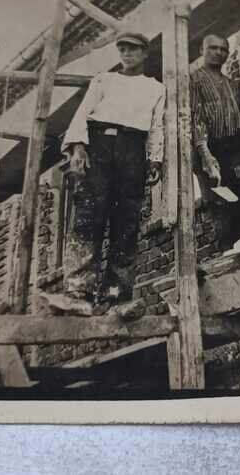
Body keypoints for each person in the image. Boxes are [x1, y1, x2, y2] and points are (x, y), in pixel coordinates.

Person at [62, 32, 164, 306]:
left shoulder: (155, 88)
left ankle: (116, 291)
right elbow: (82, 115)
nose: (126, 54)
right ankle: (78, 288)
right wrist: (79, 149)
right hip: (100, 146)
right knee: (88, 215)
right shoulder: (103, 80)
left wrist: (155, 159)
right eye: (122, 49)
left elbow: (156, 127)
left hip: (133, 150)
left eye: (133, 49)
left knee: (126, 221)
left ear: (144, 53)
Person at [190, 34, 240, 249]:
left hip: (239, 149)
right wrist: (205, 154)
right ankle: (235, 261)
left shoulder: (233, 85)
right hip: (211, 152)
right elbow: (195, 119)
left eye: (223, 49)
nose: (218, 53)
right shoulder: (192, 81)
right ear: (202, 50)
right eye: (213, 48)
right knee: (224, 211)